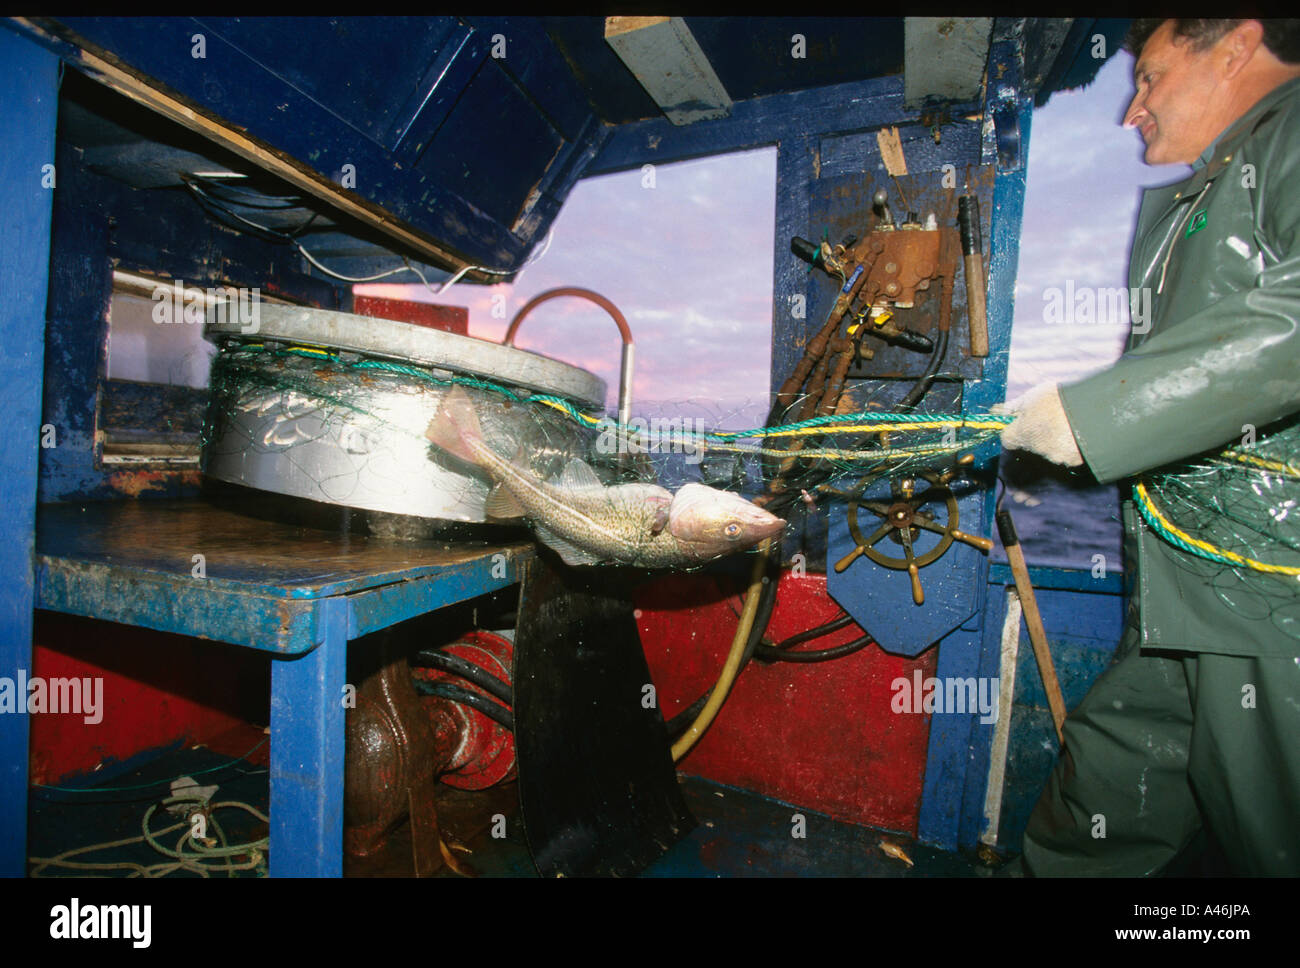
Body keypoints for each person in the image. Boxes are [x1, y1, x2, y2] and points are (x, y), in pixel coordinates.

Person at [1000, 18, 1300, 875]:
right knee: (1107, 783)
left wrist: (1095, 415)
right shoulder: (1207, 188)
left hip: (1275, 607)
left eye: (1152, 78)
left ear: (1236, 46)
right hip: (1180, 588)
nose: (1133, 111)